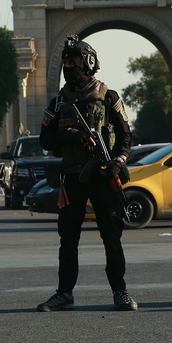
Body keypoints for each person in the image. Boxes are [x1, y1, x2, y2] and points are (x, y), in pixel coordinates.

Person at [37, 34, 136, 312]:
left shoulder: (108, 97)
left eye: (74, 60)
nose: (69, 66)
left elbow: (126, 136)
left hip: (103, 177)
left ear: (89, 63)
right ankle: (64, 293)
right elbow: (45, 139)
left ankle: (120, 291)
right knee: (68, 238)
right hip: (72, 178)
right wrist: (67, 135)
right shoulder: (58, 103)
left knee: (111, 236)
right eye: (65, 61)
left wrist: (118, 161)